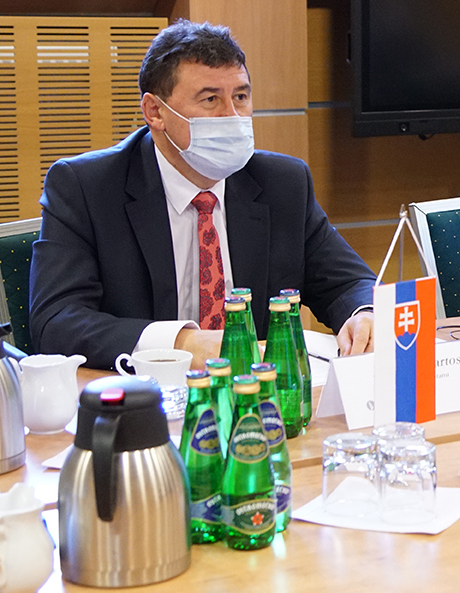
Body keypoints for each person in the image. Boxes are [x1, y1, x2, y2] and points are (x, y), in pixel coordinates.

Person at [29, 20, 375, 370]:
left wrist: (365, 314)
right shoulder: (86, 188)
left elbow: (349, 283)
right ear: (155, 112)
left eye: (240, 97)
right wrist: (182, 343)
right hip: (144, 394)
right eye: (210, 99)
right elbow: (56, 321)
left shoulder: (282, 183)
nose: (232, 116)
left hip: (252, 392)